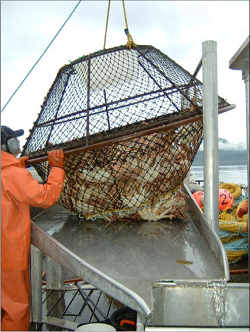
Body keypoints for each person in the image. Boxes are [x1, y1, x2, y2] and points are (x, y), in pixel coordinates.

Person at [1, 125, 65, 331]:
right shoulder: (11, 175)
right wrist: (57, 168)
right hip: (7, 256)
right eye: (14, 140)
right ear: (8, 144)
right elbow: (46, 197)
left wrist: (18, 164)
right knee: (16, 309)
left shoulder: (9, 172)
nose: (18, 143)